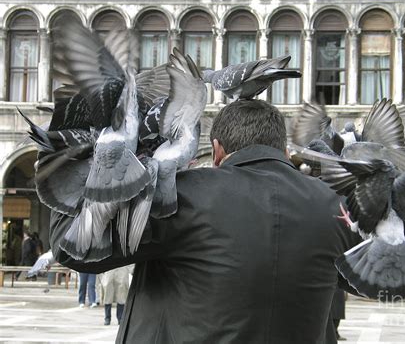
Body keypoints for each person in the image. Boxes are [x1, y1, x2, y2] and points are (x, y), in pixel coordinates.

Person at [50, 99, 358, 343]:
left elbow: (74, 247)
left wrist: (84, 150)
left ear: (217, 150)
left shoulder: (186, 193)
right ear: (286, 152)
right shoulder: (334, 208)